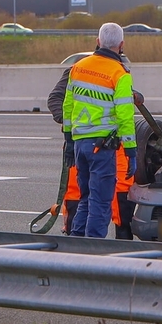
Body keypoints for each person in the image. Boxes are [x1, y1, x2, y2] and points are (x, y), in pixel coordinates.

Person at [61, 23, 138, 238]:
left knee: (85, 197)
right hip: (102, 147)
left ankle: (77, 243)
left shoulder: (78, 67)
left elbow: (67, 106)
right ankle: (94, 249)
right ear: (121, 45)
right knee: (101, 201)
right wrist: (131, 151)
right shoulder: (119, 73)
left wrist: (69, 140)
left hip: (79, 144)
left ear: (98, 42)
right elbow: (125, 117)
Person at [47, 63, 137, 239]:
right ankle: (84, 248)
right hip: (80, 145)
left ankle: (121, 250)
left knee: (120, 205)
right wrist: (72, 126)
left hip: (108, 146)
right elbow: (56, 100)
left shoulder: (115, 72)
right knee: (82, 198)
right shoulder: (78, 70)